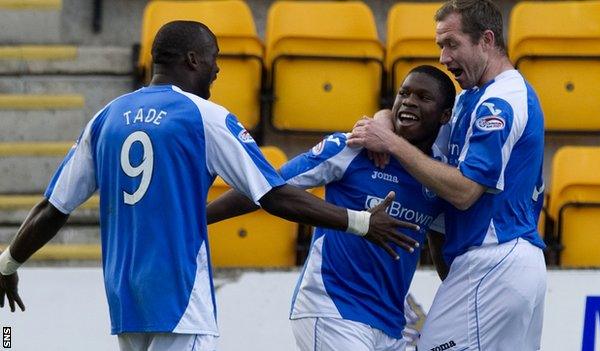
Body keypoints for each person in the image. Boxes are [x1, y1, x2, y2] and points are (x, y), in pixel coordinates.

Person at [0, 21, 419, 351]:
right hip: (180, 298)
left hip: (126, 297)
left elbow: (52, 209)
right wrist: (361, 222)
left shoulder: (106, 117)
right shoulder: (205, 117)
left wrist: (8, 264)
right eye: (214, 57)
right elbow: (272, 193)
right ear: (192, 59)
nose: (219, 68)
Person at [206, 65, 456, 351]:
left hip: (391, 323)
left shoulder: (438, 175)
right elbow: (264, 187)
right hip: (333, 307)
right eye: (404, 93)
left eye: (423, 97)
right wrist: (199, 218)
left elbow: (441, 245)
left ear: (445, 115)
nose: (409, 101)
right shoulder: (352, 147)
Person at [348, 1, 547, 350]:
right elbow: (413, 129)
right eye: (440, 45)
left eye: (452, 44)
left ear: (486, 40)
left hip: (492, 259)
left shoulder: (499, 102)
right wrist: (384, 118)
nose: (443, 57)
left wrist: (391, 143)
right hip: (509, 263)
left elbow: (465, 191)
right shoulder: (474, 97)